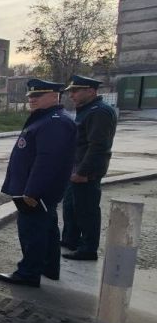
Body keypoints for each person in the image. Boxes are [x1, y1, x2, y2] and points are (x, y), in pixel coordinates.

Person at [0, 79, 76, 287]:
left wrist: (32, 191)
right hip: (37, 190)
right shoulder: (48, 118)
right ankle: (48, 268)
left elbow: (47, 160)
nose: (32, 100)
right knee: (46, 228)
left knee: (32, 231)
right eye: (30, 96)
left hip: (36, 192)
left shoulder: (54, 122)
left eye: (37, 96)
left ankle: (28, 273)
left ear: (54, 96)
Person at [60, 75, 118, 261]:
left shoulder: (99, 112)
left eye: (76, 91)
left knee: (86, 210)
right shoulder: (87, 110)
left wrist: (83, 172)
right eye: (71, 91)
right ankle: (71, 240)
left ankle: (88, 249)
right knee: (71, 206)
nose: (72, 95)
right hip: (76, 169)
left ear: (91, 91)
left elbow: (98, 146)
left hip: (87, 172)